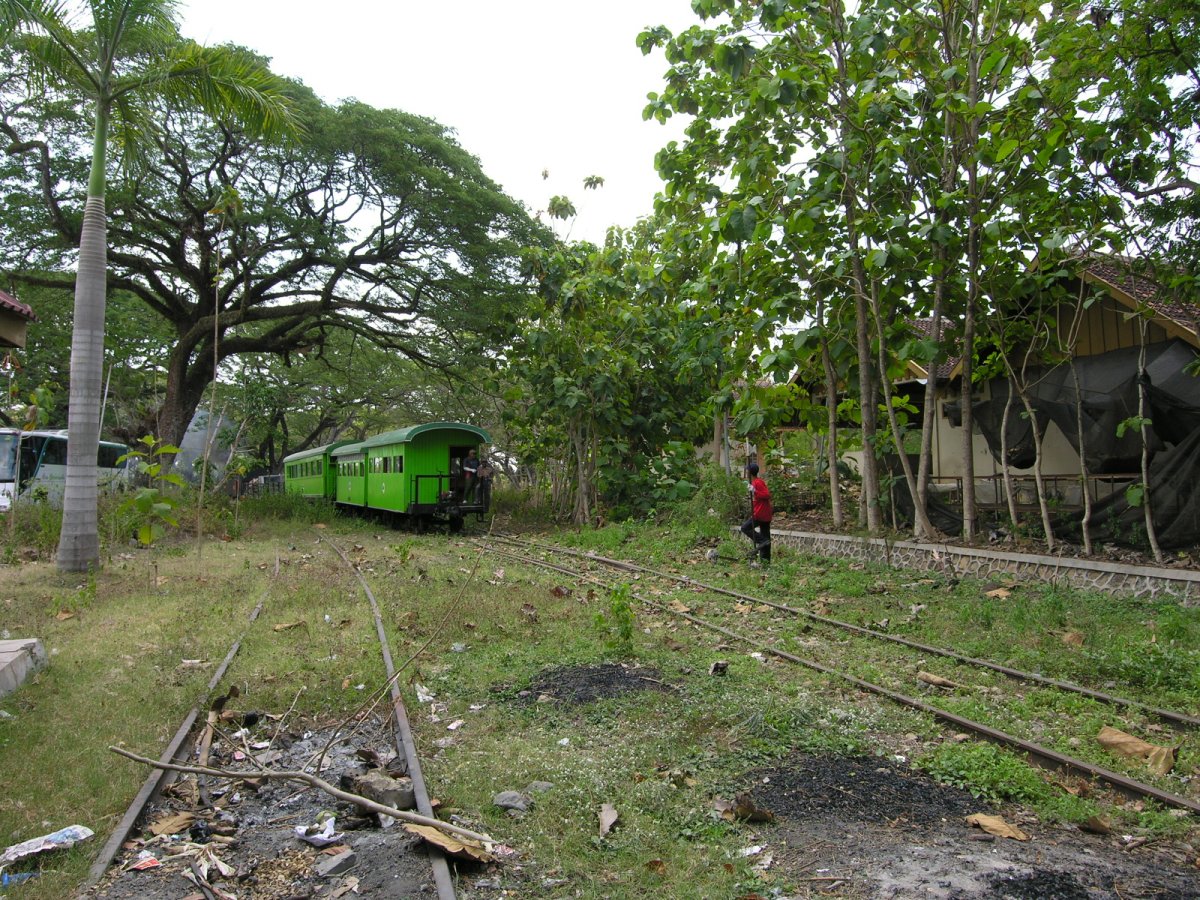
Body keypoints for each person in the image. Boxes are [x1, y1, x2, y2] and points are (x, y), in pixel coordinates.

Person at [740, 462, 772, 563]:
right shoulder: (754, 483)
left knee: (745, 528)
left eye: (747, 471)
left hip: (761, 513)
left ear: (750, 472)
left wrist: (755, 491)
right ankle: (765, 562)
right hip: (763, 512)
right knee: (765, 537)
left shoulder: (758, 482)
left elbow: (767, 495)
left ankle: (762, 541)